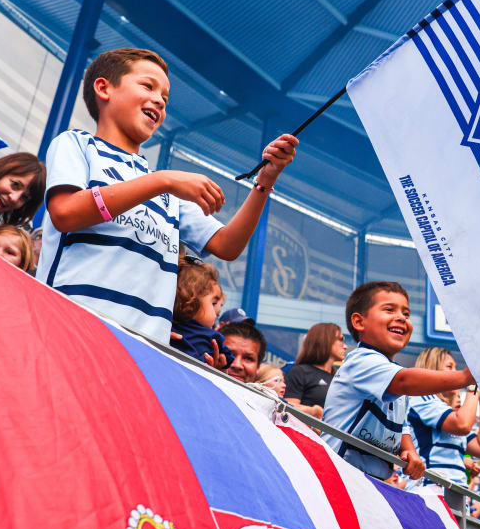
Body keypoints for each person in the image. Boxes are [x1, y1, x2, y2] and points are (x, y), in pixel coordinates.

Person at [38, 48, 298, 344]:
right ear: (104, 88)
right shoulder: (77, 144)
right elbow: (65, 212)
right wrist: (162, 181)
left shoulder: (166, 193)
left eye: (165, 96)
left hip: (143, 352)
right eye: (148, 86)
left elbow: (228, 245)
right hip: (70, 330)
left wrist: (265, 181)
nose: (160, 99)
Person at [320, 281, 473, 483]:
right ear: (359, 322)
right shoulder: (360, 361)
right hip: (334, 474)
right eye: (389, 309)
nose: (401, 317)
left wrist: (409, 450)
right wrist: (464, 378)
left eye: (406, 314)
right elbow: (405, 380)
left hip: (366, 481)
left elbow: (402, 426)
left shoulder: (391, 373)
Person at [407, 346, 480, 486]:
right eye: (449, 367)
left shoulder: (447, 412)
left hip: (455, 494)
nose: (456, 372)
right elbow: (463, 424)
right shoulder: (421, 399)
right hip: (430, 490)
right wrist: (473, 385)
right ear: (432, 370)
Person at [169, 258, 233, 368]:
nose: (217, 313)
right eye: (213, 303)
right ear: (191, 305)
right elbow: (228, 356)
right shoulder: (210, 336)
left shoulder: (167, 328)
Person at [282, 322, 345, 419]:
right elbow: (286, 409)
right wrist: (314, 411)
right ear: (325, 339)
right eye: (341, 339)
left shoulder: (338, 378)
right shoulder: (300, 372)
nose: (345, 346)